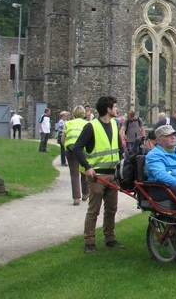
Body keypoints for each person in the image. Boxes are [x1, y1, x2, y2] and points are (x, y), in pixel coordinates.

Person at [73, 95, 125, 254]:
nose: (117, 109)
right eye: (115, 106)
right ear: (108, 109)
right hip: (97, 176)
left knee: (111, 209)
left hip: (112, 174)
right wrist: (87, 167)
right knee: (94, 210)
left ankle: (110, 238)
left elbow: (119, 149)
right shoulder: (91, 126)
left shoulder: (115, 125)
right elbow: (77, 148)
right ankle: (89, 242)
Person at [62, 106, 90, 206]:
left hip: (70, 148)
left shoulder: (68, 123)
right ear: (83, 114)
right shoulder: (87, 123)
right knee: (84, 170)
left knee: (74, 173)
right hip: (82, 149)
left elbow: (62, 139)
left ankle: (76, 198)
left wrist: (66, 146)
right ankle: (86, 193)